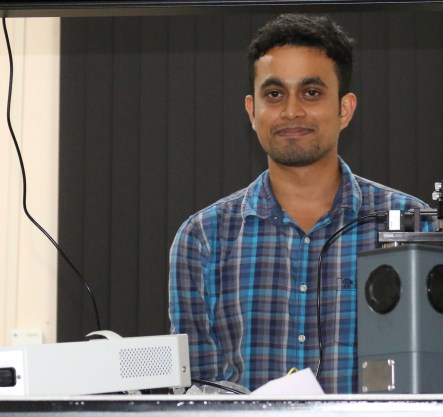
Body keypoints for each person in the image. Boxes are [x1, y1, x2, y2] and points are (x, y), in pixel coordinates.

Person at [169, 14, 428, 393]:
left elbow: (429, 376)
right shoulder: (204, 238)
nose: (292, 111)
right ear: (251, 111)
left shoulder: (408, 223)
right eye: (274, 95)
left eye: (311, 93)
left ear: (345, 109)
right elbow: (196, 396)